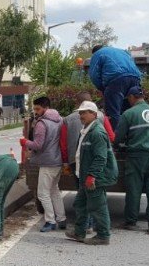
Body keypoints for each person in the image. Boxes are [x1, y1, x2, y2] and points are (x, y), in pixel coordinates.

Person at [115, 86, 149, 235]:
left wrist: (118, 144)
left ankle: (131, 222)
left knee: (134, 189)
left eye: (128, 99)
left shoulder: (129, 113)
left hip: (137, 156)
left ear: (131, 97)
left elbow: (118, 137)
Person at [65, 101, 118, 246]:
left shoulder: (97, 133)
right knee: (80, 204)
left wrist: (92, 176)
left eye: (84, 112)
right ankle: (79, 232)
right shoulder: (87, 130)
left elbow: (101, 157)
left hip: (94, 178)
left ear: (94, 114)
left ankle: (103, 236)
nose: (81, 115)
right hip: (85, 176)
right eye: (80, 112)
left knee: (98, 206)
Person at [21, 96, 66, 232]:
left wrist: (24, 142)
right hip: (57, 160)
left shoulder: (42, 123)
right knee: (54, 191)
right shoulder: (59, 120)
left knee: (42, 193)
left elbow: (38, 145)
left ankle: (50, 221)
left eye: (38, 108)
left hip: (47, 162)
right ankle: (62, 219)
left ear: (45, 108)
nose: (35, 111)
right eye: (34, 108)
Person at [59, 92, 115, 178]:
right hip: (96, 159)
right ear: (92, 101)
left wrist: (66, 162)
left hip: (74, 159)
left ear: (77, 103)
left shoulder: (67, 120)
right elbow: (111, 137)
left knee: (81, 186)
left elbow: (63, 144)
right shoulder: (102, 117)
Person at [88, 45, 143, 128]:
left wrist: (103, 89)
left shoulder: (97, 54)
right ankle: (134, 133)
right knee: (131, 109)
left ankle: (116, 137)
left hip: (117, 78)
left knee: (113, 112)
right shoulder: (122, 51)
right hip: (136, 77)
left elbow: (93, 75)